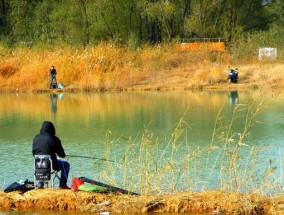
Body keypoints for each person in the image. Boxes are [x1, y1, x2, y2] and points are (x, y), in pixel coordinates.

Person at [32, 121, 70, 189]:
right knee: (66, 165)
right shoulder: (54, 139)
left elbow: (33, 153)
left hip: (38, 165)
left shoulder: (36, 137)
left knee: (43, 163)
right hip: (51, 165)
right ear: (52, 129)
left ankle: (40, 184)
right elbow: (62, 154)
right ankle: (63, 185)